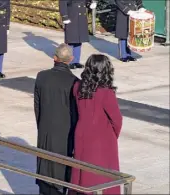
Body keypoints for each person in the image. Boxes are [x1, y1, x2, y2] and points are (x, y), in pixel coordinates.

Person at [70, 54, 123, 195]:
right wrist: (112, 136)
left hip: (81, 133)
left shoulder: (77, 87)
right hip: (102, 138)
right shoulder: (106, 92)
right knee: (102, 176)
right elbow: (117, 119)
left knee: (81, 173)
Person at [34, 43, 79, 195]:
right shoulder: (74, 82)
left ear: (54, 58)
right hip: (65, 134)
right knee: (61, 171)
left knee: (45, 170)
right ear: (71, 59)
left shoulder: (42, 76)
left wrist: (41, 125)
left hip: (45, 129)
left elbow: (37, 107)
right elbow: (75, 113)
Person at [59, 0, 97, 69]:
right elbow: (62, 3)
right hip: (72, 17)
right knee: (71, 40)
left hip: (81, 18)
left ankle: (76, 61)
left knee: (79, 40)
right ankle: (70, 61)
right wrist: (64, 17)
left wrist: (89, 4)